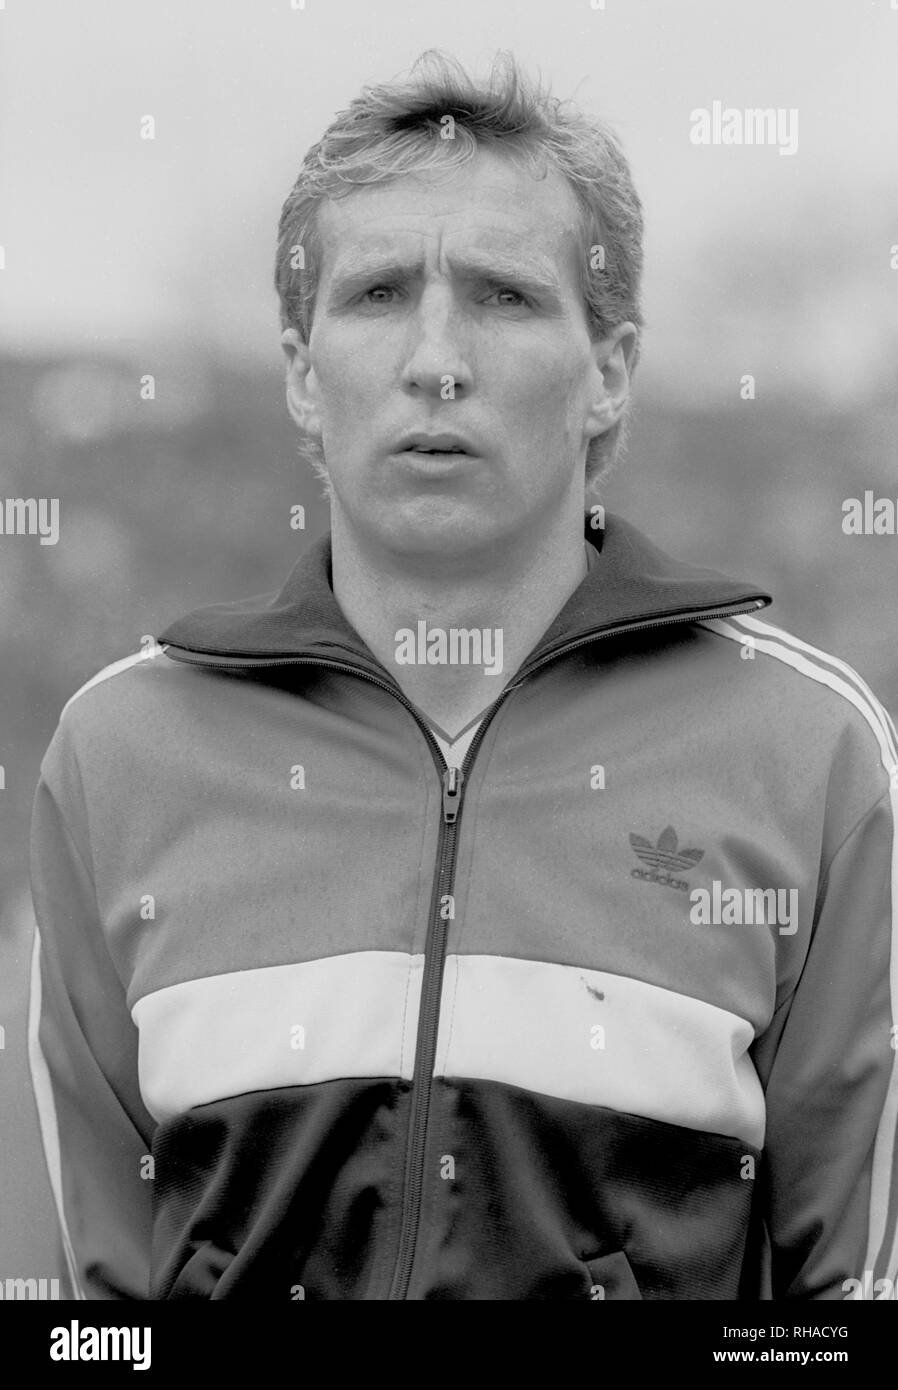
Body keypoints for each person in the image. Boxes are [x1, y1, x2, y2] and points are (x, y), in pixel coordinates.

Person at [29, 50, 898, 1301]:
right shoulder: (118, 753)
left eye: (501, 295)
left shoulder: (809, 753)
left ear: (608, 372)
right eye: (379, 292)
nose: (437, 359)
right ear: (299, 371)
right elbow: (76, 1315)